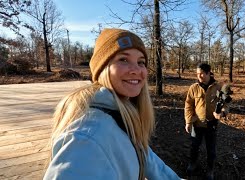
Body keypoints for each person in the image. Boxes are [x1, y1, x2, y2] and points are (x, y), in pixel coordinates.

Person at [44, 28, 181, 180]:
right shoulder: (86, 138)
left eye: (141, 62)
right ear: (103, 68)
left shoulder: (121, 116)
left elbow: (148, 160)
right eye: (123, 59)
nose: (136, 70)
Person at [184, 63, 230, 180]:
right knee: (194, 146)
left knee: (211, 149)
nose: (199, 76)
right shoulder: (193, 88)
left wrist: (222, 113)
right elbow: (188, 105)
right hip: (197, 123)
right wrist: (188, 121)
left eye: (202, 74)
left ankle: (210, 169)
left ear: (209, 73)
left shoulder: (218, 87)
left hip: (211, 124)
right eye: (197, 74)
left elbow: (225, 104)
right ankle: (193, 164)